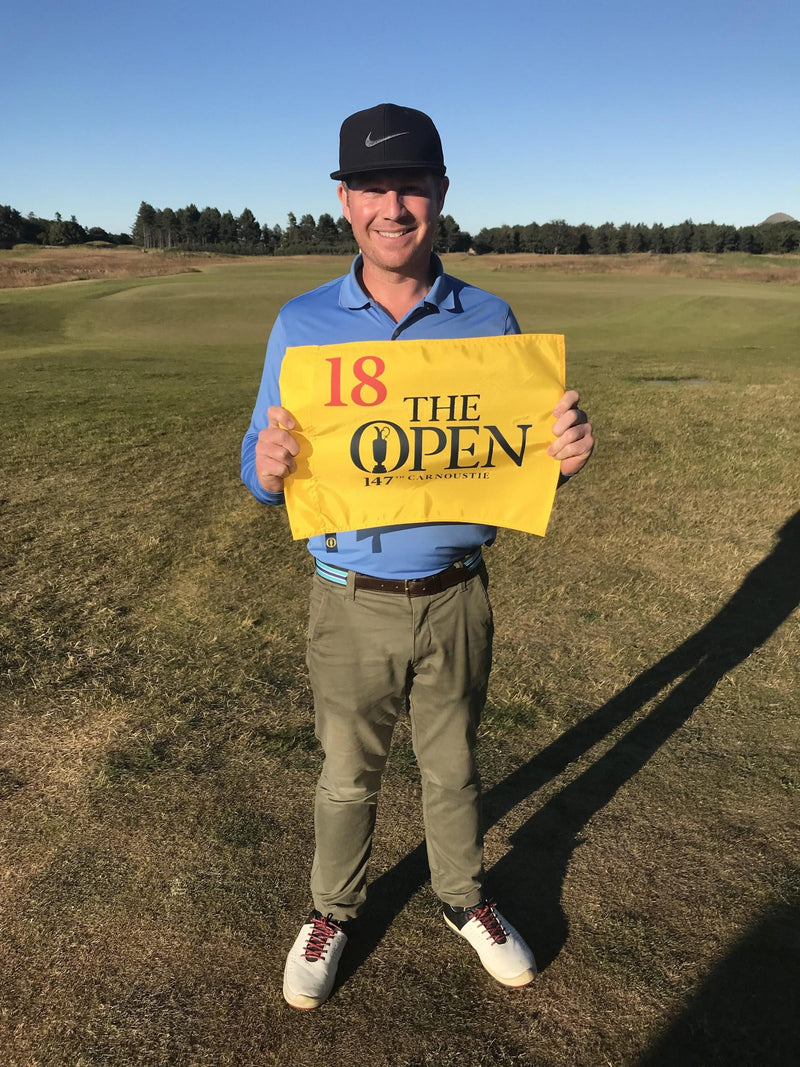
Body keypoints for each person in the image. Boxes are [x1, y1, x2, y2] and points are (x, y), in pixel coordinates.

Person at [241, 103, 594, 1010]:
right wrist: (267, 467)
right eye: (370, 187)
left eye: (410, 185)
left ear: (440, 193)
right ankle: (331, 910)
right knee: (346, 775)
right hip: (349, 594)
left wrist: (565, 457)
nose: (391, 206)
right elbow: (258, 462)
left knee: (454, 766)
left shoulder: (488, 313)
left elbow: (520, 461)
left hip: (458, 596)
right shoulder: (303, 319)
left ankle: (463, 896)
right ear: (344, 200)